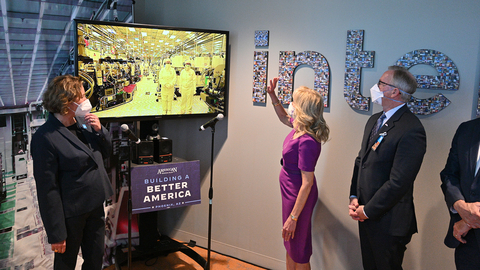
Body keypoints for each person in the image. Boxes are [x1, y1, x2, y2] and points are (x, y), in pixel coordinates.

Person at [31, 75, 113, 270]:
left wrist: (100, 131)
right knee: (66, 265)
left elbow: (107, 153)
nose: (87, 101)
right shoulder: (45, 138)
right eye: (82, 97)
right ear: (66, 103)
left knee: (95, 260)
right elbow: (47, 189)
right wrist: (56, 233)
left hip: (95, 206)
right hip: (71, 215)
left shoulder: (84, 123)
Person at [348, 66, 426, 270]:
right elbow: (361, 162)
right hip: (365, 213)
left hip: (388, 221)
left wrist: (369, 210)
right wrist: (354, 197)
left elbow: (399, 182)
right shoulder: (374, 120)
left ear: (395, 91)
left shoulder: (411, 128)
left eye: (382, 83)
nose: (376, 87)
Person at [267, 77, 329, 270]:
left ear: (303, 108)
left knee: (299, 246)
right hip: (289, 190)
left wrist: (293, 218)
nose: (290, 105)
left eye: (294, 102)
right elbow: (284, 117)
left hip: (299, 195)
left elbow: (307, 183)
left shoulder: (308, 141)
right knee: (290, 242)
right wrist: (272, 94)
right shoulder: (299, 127)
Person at [440, 118, 480, 269]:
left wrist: (469, 221)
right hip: (466, 241)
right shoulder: (467, 129)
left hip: (465, 226)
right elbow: (449, 174)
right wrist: (459, 205)